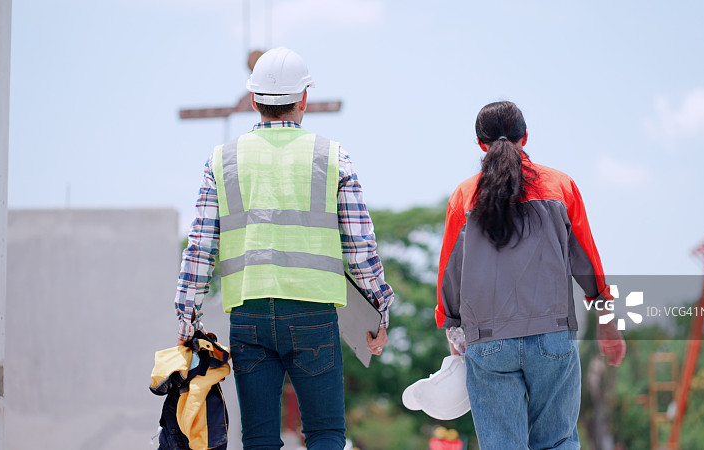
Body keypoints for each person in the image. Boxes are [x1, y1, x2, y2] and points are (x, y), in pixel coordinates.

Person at [174, 46, 394, 450]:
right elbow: (360, 247)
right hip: (313, 313)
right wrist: (379, 308)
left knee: (258, 437)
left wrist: (187, 315)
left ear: (254, 100)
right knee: (325, 433)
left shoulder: (221, 160)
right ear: (304, 99)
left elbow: (201, 245)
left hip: (248, 314)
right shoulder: (333, 157)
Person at [435, 101, 625, 449]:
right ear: (526, 137)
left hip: (488, 341)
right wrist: (608, 322)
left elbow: (450, 270)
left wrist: (453, 326)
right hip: (552, 336)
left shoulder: (464, 196)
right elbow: (587, 262)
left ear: (480, 144)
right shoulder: (560, 186)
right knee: (558, 441)